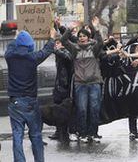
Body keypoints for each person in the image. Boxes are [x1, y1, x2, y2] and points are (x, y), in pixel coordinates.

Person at [6, 28, 56, 162]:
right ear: (30, 45)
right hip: (30, 102)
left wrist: (17, 36)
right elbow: (46, 51)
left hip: (15, 101)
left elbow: (11, 46)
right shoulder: (32, 58)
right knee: (35, 135)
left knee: (17, 135)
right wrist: (51, 38)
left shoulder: (10, 56)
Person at [61, 17, 103, 143]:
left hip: (94, 83)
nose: (81, 38)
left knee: (94, 109)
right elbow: (63, 40)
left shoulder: (94, 49)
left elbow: (100, 42)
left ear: (89, 38)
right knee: (82, 109)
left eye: (84, 36)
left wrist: (95, 27)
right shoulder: (75, 49)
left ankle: (94, 133)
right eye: (80, 36)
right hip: (80, 84)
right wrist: (69, 29)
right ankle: (83, 133)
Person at [48, 36, 73, 142]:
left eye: (58, 43)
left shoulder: (66, 52)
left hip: (65, 85)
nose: (56, 45)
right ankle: (59, 131)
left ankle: (66, 131)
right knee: (57, 108)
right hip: (59, 85)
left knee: (65, 109)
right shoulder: (59, 54)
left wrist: (56, 50)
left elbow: (68, 57)